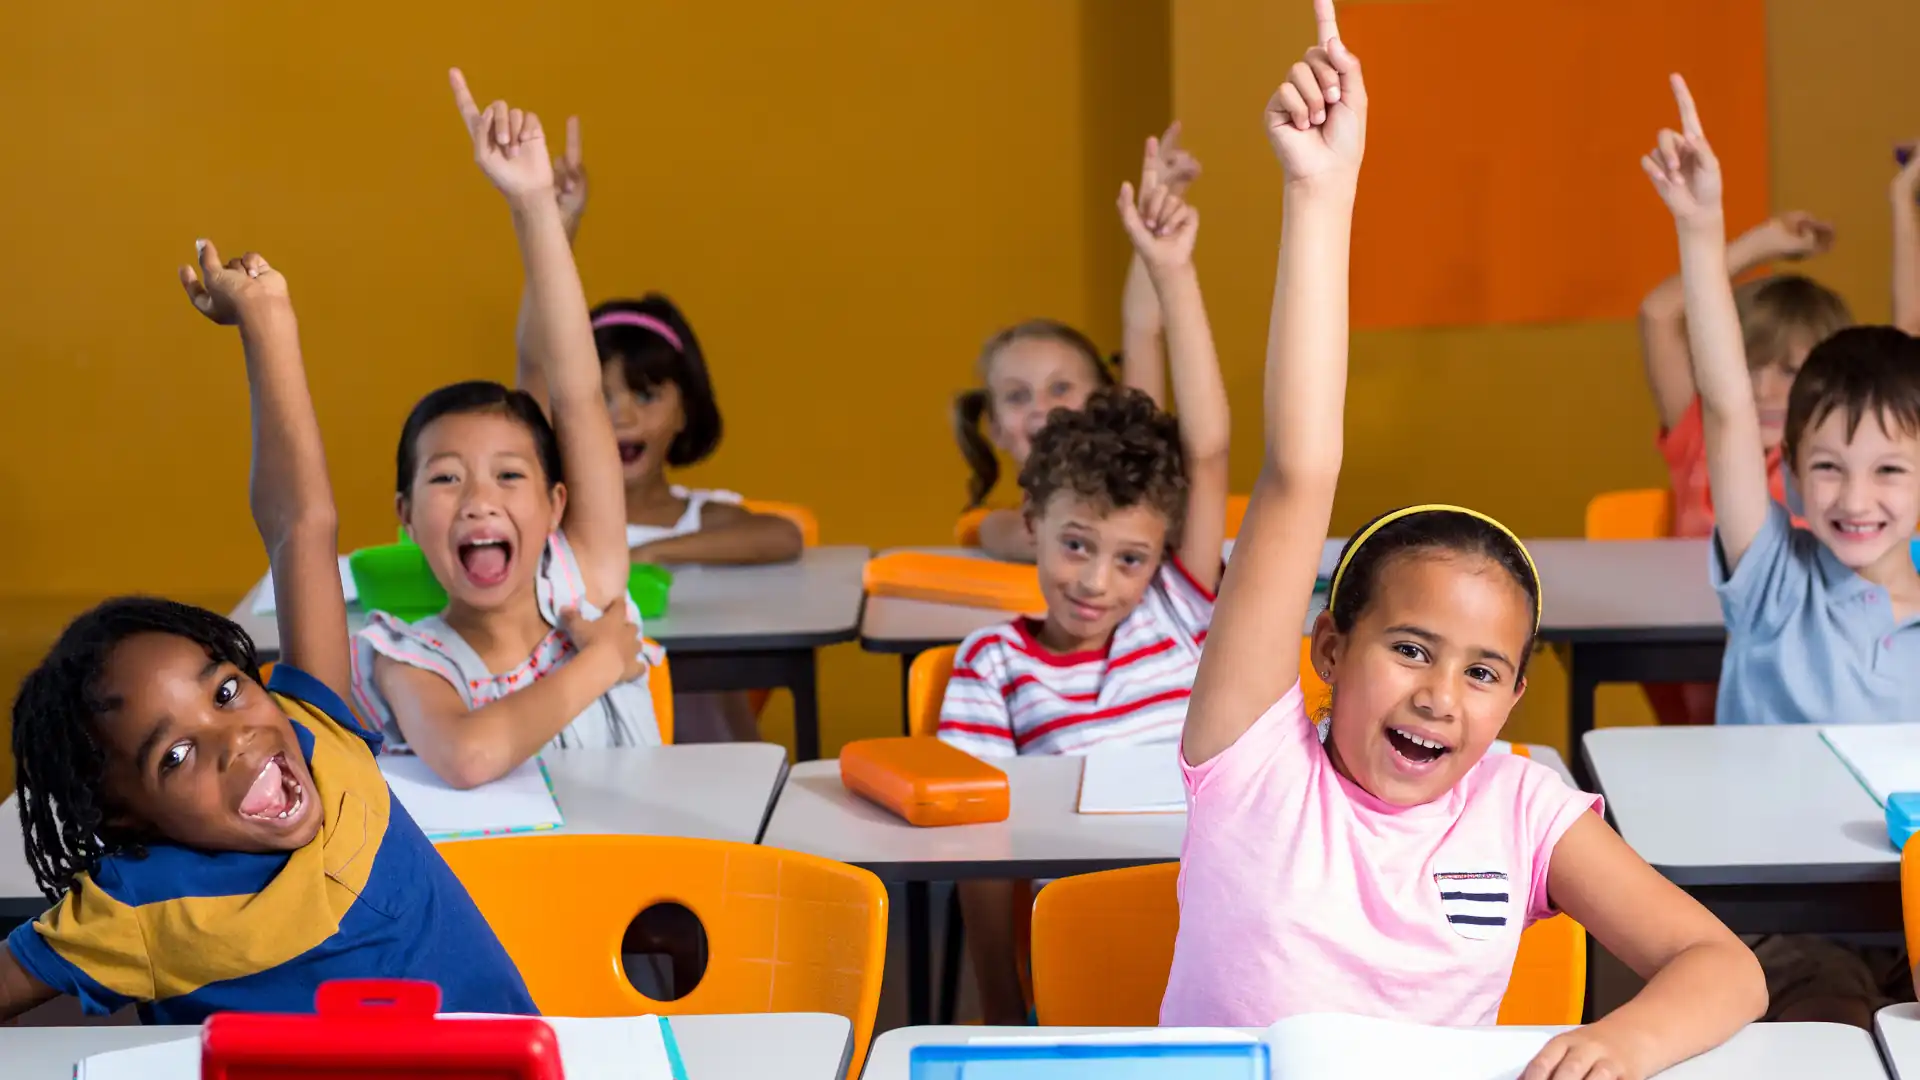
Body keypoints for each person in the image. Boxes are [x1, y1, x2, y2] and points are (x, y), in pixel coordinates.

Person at [1159, 15, 1766, 1079]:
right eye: (1410, 648)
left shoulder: (1520, 807)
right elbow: (1300, 467)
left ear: (1517, 694)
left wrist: (1618, 1043)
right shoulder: (1251, 763)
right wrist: (1322, 192)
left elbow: (1722, 967)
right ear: (1328, 650)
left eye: (1482, 671)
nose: (1443, 694)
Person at [0, 239, 534, 1024]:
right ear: (125, 819)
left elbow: (300, 528)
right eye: (174, 755)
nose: (236, 740)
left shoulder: (322, 731)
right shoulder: (135, 913)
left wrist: (266, 319)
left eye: (225, 691)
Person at [1645, 71, 1920, 1026]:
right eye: (1829, 469)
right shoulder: (1775, 586)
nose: (1856, 498)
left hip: (1907, 913)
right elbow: (1724, 405)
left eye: (1890, 473)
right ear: (1790, 477)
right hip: (1782, 920)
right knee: (1835, 1025)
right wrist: (1703, 226)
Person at [938, 156, 1229, 1022]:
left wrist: (1174, 273)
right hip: (1082, 937)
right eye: (1074, 546)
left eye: (1129, 559)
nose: (1097, 583)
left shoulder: (1178, 607)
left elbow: (1206, 451)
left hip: (1212, 919)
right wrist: (997, 1002)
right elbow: (976, 843)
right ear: (1031, 528)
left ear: (1160, 555)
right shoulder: (991, 662)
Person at [350, 73, 662, 788]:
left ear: (557, 505)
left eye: (510, 475)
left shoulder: (586, 585)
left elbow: (576, 391)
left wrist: (533, 207)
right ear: (405, 514)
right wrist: (604, 662)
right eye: (446, 477)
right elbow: (468, 756)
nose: (478, 500)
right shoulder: (404, 658)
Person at [954, 126, 1202, 562]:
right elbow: (1039, 536)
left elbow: (1142, 327)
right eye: (1016, 396)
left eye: (1060, 387)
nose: (1041, 407)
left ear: (1104, 403)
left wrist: (1157, 225)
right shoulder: (991, 525)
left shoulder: (1146, 490)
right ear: (994, 428)